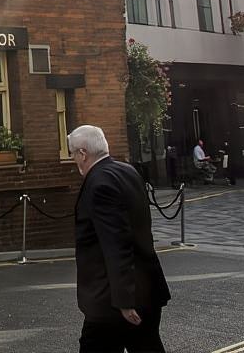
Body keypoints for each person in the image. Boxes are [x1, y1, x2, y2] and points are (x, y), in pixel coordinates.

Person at [69, 124, 171, 352]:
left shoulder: (99, 184)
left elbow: (116, 243)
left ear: (83, 153)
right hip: (146, 291)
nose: (74, 160)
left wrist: (125, 300)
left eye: (73, 154)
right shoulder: (128, 171)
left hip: (113, 302)